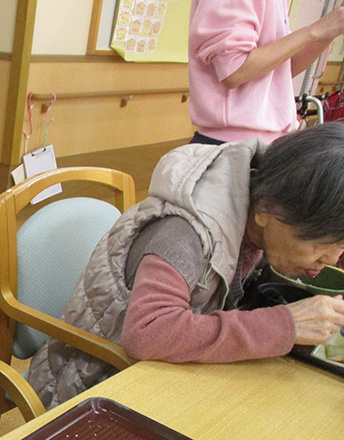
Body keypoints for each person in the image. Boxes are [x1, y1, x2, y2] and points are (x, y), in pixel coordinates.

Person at [28, 122, 344, 409]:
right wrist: (285, 325)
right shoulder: (184, 234)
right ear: (268, 210)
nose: (331, 259)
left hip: (166, 375)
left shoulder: (260, 208)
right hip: (90, 386)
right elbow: (148, 334)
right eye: (322, 243)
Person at [189, 0, 344, 144]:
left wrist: (332, 29)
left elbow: (281, 70)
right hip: (234, 145)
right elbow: (234, 71)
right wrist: (316, 31)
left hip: (268, 143)